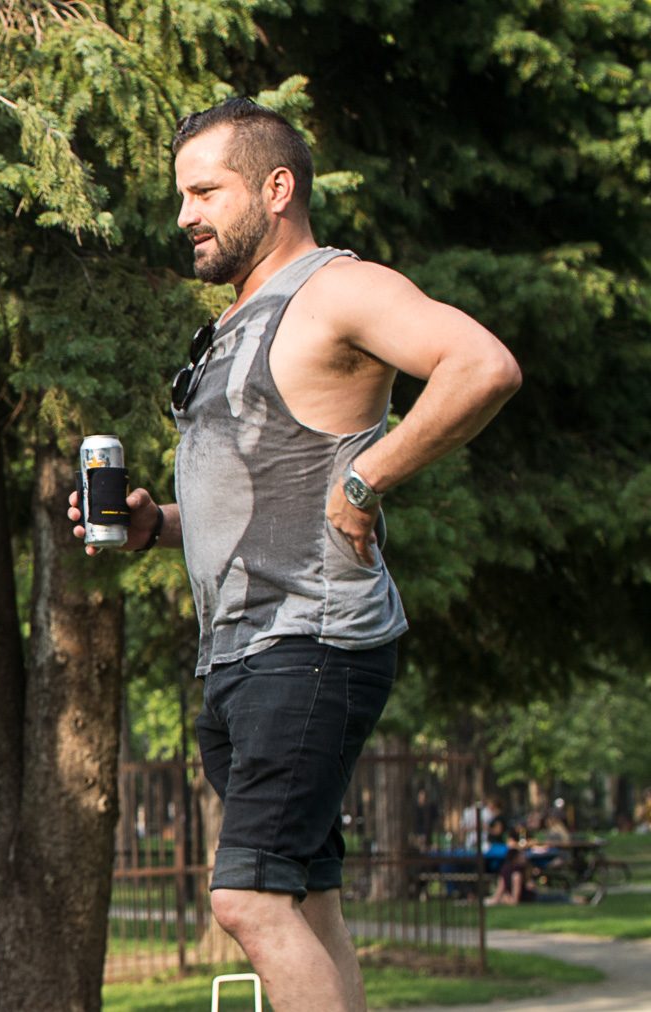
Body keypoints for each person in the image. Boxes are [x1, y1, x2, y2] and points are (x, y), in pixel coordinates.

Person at [69, 98, 519, 1012]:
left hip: (309, 639)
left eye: (204, 192)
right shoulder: (236, 320)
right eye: (181, 195)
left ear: (276, 188)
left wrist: (368, 479)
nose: (183, 215)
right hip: (241, 650)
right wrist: (160, 524)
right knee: (308, 901)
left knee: (247, 897)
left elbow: (482, 364)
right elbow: (266, 494)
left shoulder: (339, 290)